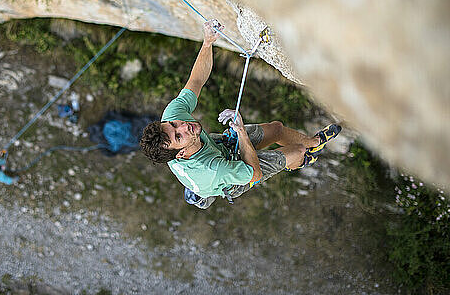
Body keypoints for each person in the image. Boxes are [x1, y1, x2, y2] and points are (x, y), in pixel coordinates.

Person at [139, 19, 341, 209]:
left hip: (216, 149)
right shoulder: (211, 170)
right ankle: (304, 158)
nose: (183, 125)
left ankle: (315, 142)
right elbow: (254, 174)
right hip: (227, 176)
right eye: (179, 135)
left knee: (276, 129)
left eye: (174, 124)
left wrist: (208, 43)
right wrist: (241, 131)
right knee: (297, 152)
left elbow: (196, 81)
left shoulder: (174, 116)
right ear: (180, 154)